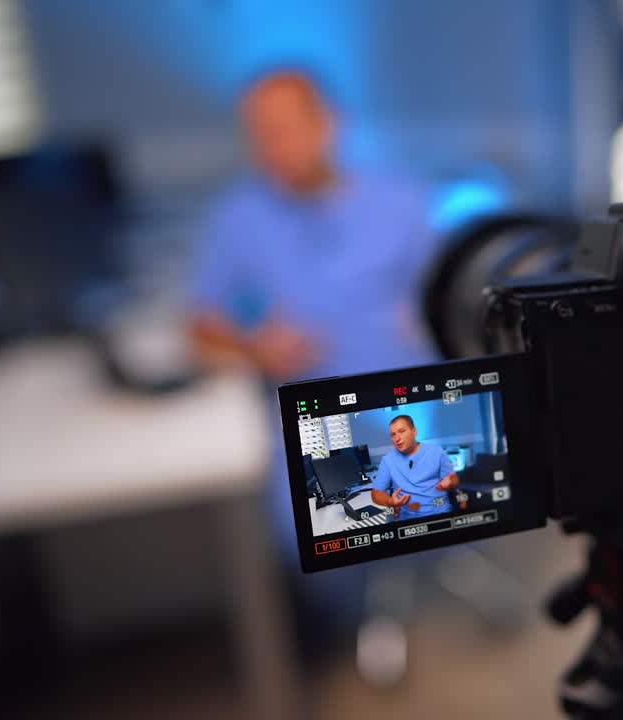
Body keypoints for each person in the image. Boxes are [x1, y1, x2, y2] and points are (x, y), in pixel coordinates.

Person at [187, 67, 439, 668]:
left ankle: (391, 582)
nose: (275, 148)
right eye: (260, 134)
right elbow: (198, 324)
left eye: (287, 129)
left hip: (413, 399)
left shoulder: (401, 201)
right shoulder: (238, 218)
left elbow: (448, 296)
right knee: (300, 529)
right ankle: (338, 613)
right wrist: (255, 347)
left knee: (427, 475)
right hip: (313, 411)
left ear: (330, 123)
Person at [371, 415, 459, 521]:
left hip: (440, 514)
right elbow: (376, 493)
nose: (397, 438)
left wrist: (451, 482)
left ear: (414, 431)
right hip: (408, 520)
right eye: (393, 435)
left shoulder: (436, 451)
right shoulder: (388, 460)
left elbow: (454, 480)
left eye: (402, 431)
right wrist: (391, 502)